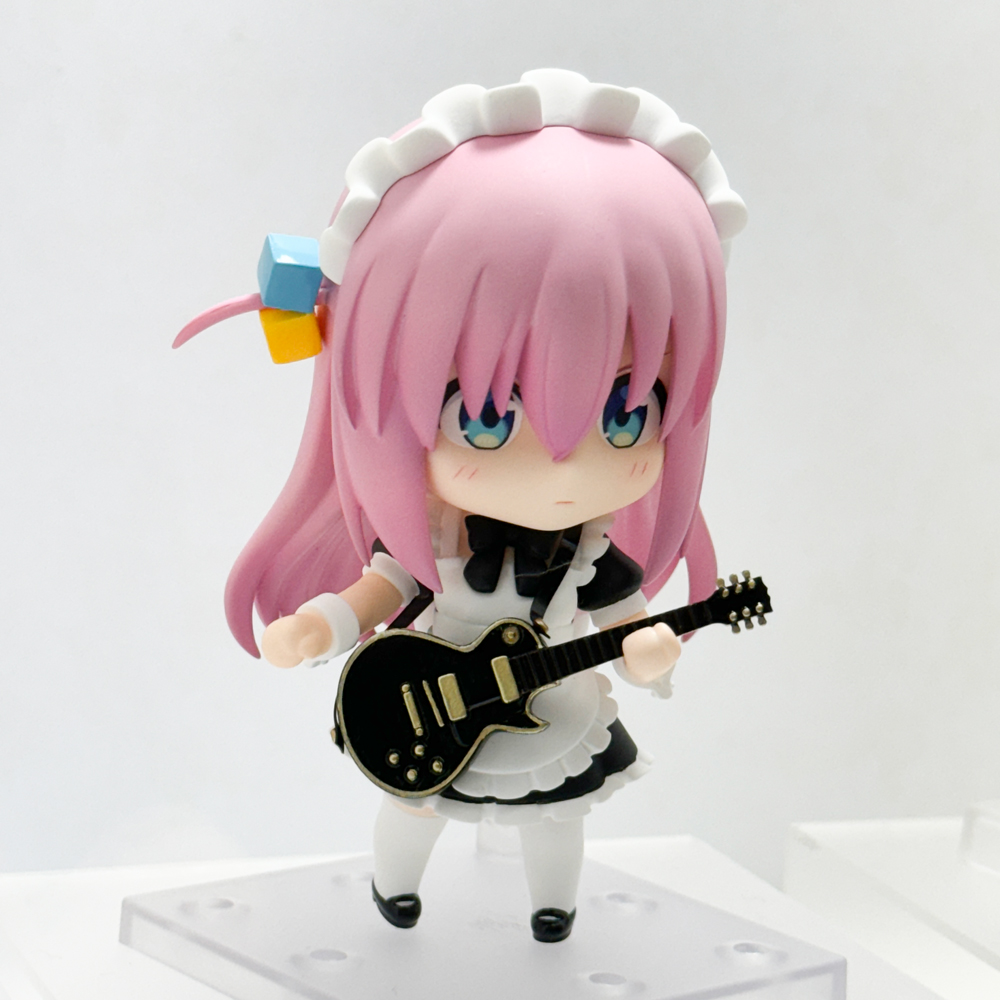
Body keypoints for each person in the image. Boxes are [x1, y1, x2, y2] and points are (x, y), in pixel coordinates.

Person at [176, 69, 745, 941]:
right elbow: (381, 589)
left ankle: (553, 909)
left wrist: (649, 652)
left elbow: (628, 624)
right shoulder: (436, 536)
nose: (564, 463)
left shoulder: (591, 554)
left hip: (549, 713)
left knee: (558, 815)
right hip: (430, 698)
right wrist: (320, 627)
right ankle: (394, 892)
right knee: (414, 806)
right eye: (486, 417)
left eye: (628, 414)